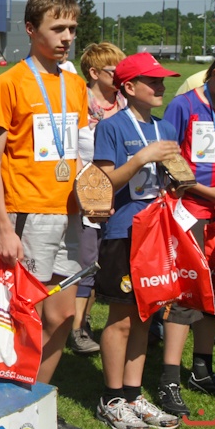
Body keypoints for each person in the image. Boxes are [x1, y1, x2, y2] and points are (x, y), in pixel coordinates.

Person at [0, 0, 88, 429]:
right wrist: (4, 226)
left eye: (72, 29)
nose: (67, 38)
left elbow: (81, 151)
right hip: (28, 214)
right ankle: (7, 406)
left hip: (70, 215)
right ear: (31, 29)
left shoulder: (77, 84)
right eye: (57, 28)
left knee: (64, 317)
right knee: (23, 322)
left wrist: (92, 198)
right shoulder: (9, 83)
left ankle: (38, 402)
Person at [92, 52, 182, 429]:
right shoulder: (110, 127)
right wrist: (143, 157)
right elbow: (102, 183)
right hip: (125, 233)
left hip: (158, 233)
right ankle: (111, 399)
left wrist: (178, 181)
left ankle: (132, 394)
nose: (161, 87)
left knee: (147, 316)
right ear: (128, 87)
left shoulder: (165, 128)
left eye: (162, 81)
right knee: (122, 318)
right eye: (153, 81)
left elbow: (172, 181)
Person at [155, 49, 215, 417]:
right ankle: (169, 378)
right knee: (185, 293)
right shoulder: (184, 106)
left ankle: (201, 369)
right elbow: (168, 159)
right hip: (192, 210)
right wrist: (207, 191)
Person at [69, 42, 127, 356]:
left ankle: (85, 319)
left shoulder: (126, 102)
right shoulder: (79, 102)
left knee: (106, 260)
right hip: (87, 194)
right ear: (94, 73)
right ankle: (76, 328)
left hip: (122, 194)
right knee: (87, 259)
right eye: (114, 70)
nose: (122, 76)